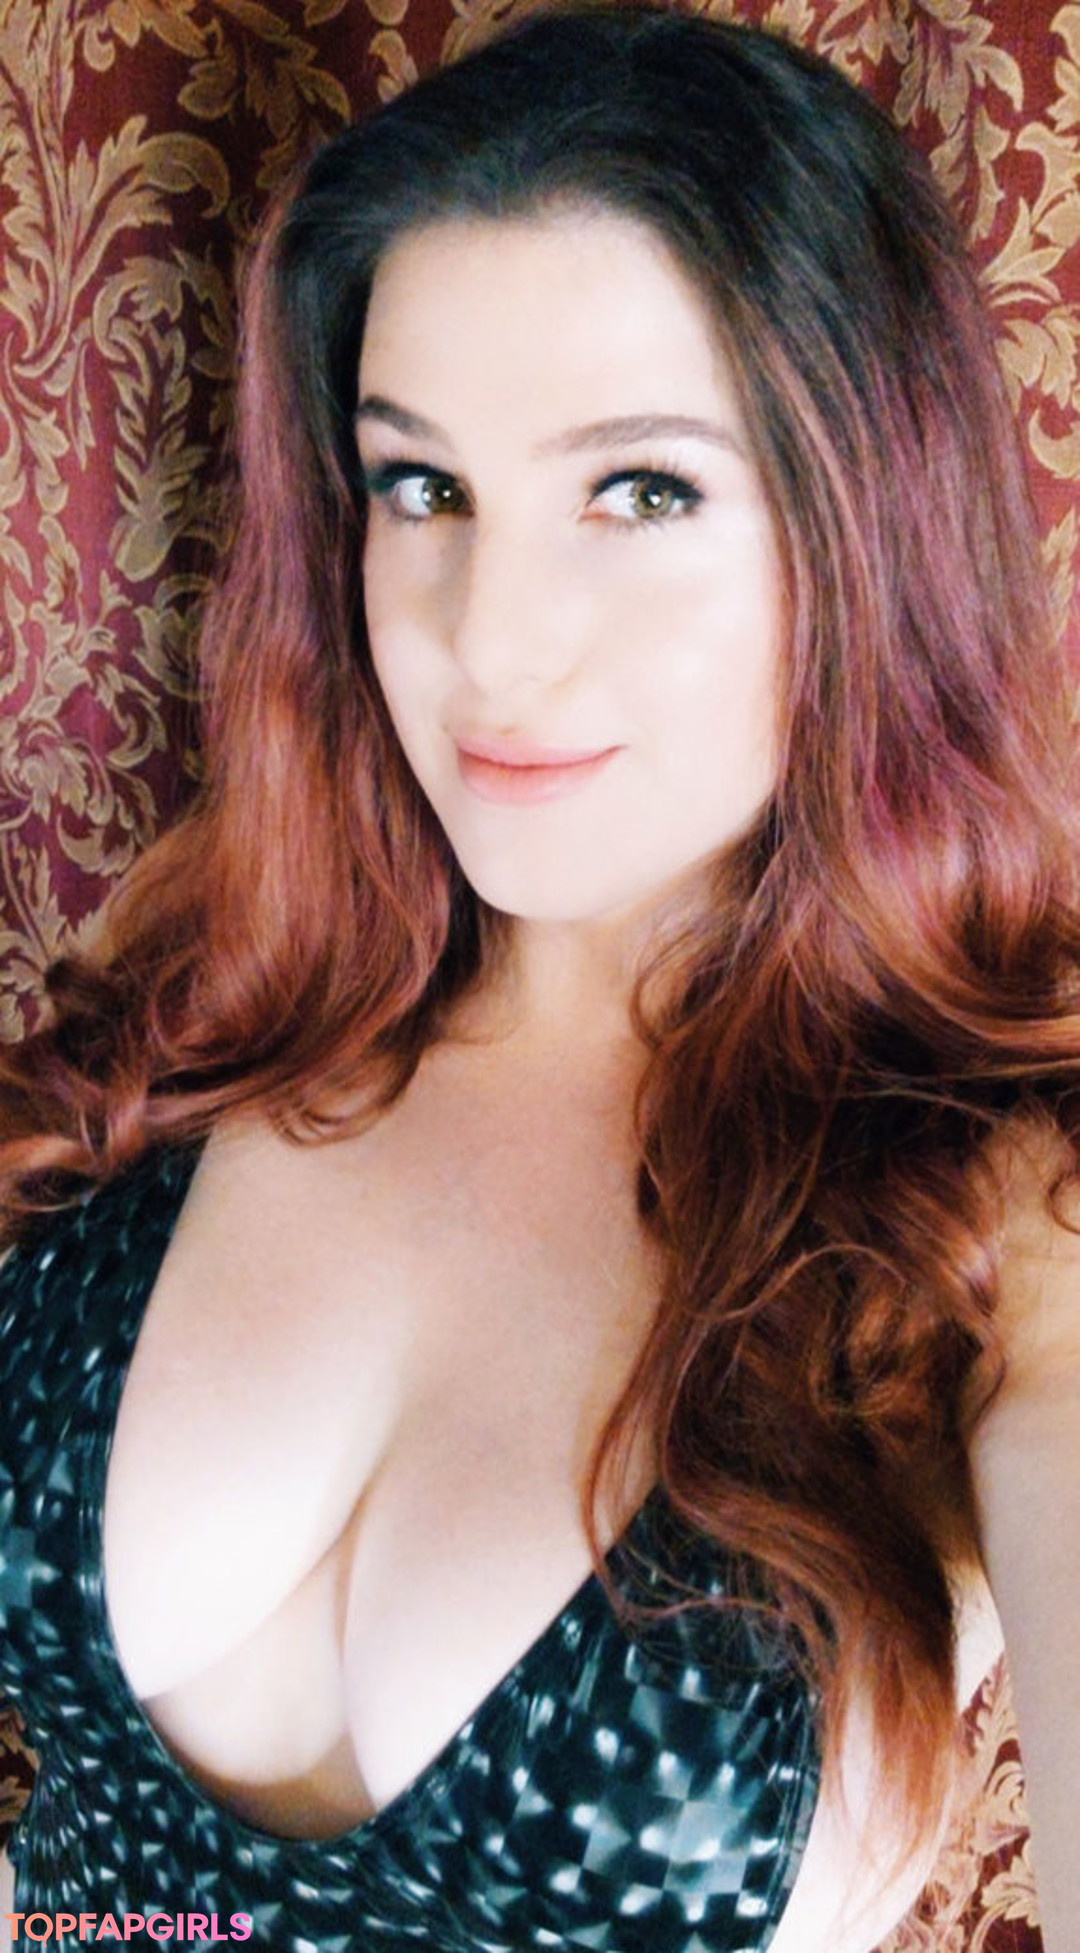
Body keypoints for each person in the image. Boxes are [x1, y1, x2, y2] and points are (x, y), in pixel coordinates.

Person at [0, 6, 1076, 1948]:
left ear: (869, 531)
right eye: (421, 486)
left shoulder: (1011, 1219)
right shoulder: (211, 963)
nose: (491, 641)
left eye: (642, 491)